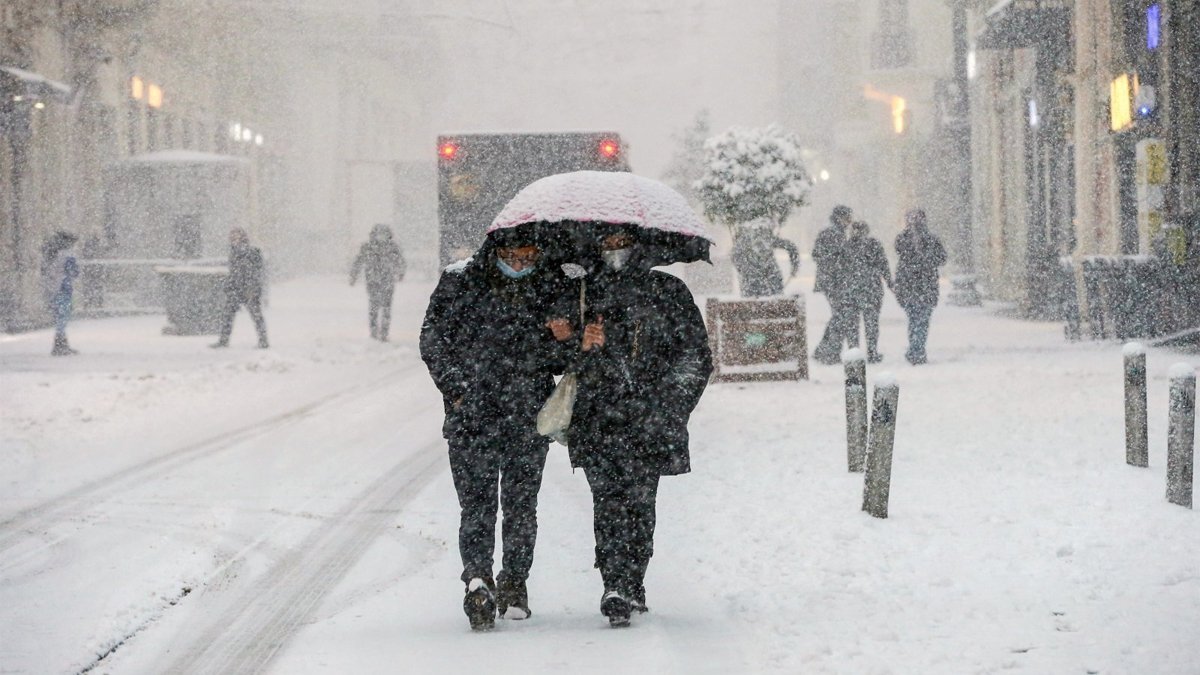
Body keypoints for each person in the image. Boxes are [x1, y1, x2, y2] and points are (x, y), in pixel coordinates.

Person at [548, 224, 712, 627]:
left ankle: (633, 578)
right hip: (598, 419)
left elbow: (694, 356)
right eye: (608, 243)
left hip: (649, 420)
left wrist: (668, 406)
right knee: (607, 501)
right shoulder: (582, 294)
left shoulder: (668, 292)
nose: (615, 250)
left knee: (640, 504)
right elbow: (558, 361)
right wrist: (577, 343)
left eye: (624, 243)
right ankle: (614, 583)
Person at [419, 225, 560, 631]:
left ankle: (514, 581)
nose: (521, 264)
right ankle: (477, 579)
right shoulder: (460, 281)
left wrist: (560, 339)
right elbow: (432, 338)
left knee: (521, 505)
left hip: (527, 415)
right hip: (472, 417)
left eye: (529, 257)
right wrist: (458, 389)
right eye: (513, 257)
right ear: (496, 251)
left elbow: (558, 358)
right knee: (478, 505)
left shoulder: (549, 285)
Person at [894, 209, 947, 365]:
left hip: (912, 285)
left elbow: (941, 258)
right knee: (920, 320)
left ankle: (915, 349)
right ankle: (917, 350)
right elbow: (941, 258)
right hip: (923, 285)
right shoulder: (929, 239)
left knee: (916, 319)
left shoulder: (904, 239)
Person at [211, 228, 269, 349]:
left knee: (255, 315)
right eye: (231, 237)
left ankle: (263, 340)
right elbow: (235, 273)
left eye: (235, 236)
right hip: (236, 289)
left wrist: (251, 288)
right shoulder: (234, 252)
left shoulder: (251, 252)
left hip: (249, 290)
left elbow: (254, 272)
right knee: (228, 316)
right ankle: (224, 340)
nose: (232, 239)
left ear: (242, 237)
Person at [842, 221, 892, 363]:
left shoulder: (846, 246)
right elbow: (883, 265)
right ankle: (872, 352)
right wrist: (889, 282)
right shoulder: (874, 245)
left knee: (852, 325)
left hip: (851, 291)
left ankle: (854, 353)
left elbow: (839, 269)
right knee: (871, 324)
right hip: (871, 290)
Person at [811, 205, 854, 364]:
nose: (850, 220)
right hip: (833, 282)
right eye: (848, 217)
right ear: (840, 217)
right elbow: (818, 254)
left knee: (839, 316)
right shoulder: (833, 233)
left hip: (833, 281)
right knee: (841, 317)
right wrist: (836, 261)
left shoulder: (837, 232)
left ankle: (825, 350)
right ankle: (829, 351)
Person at [350, 224, 406, 341]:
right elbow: (358, 261)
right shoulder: (368, 247)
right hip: (373, 280)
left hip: (387, 280)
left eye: (383, 234)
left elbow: (400, 261)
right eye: (379, 234)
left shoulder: (392, 247)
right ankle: (374, 331)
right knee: (374, 306)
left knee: (386, 307)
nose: (381, 237)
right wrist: (353, 275)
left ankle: (384, 332)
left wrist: (401, 272)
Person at [730, 220, 801, 297]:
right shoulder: (746, 241)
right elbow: (791, 247)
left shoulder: (765, 239)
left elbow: (791, 247)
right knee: (768, 300)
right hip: (756, 281)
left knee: (770, 300)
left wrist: (794, 266)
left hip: (764, 280)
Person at [42, 231, 81, 356]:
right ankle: (60, 345)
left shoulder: (52, 254)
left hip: (53, 288)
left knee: (59, 316)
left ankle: (60, 344)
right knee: (63, 317)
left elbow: (45, 271)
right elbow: (74, 272)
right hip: (64, 287)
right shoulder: (67, 255)